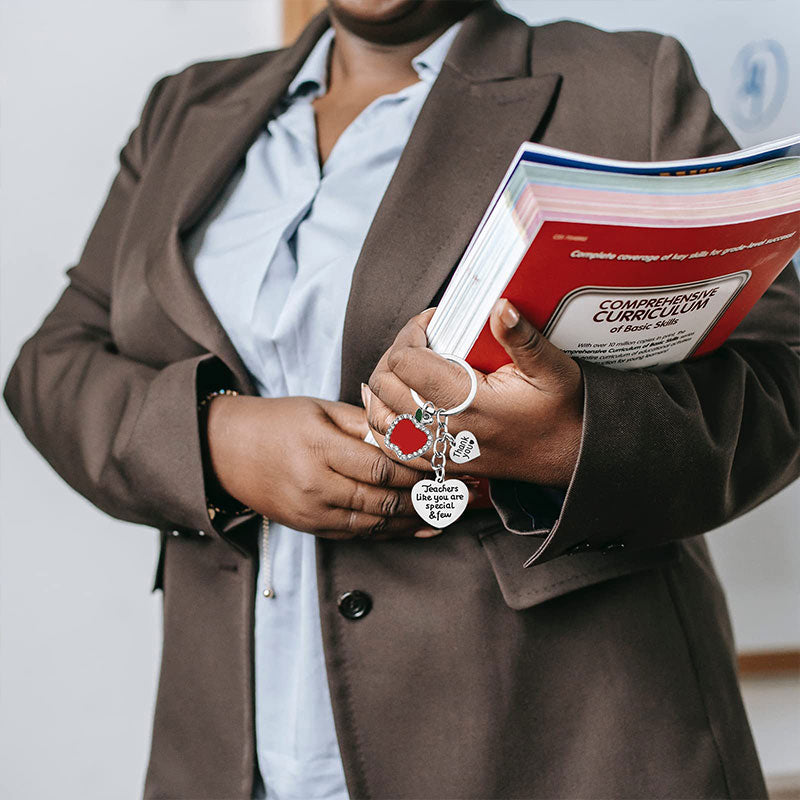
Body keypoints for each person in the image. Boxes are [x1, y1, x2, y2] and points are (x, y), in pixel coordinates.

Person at [4, 0, 799, 797]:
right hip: (234, 752)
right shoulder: (184, 108)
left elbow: (784, 374)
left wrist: (574, 438)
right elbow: (53, 366)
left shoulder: (626, 84)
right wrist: (215, 442)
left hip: (558, 741)